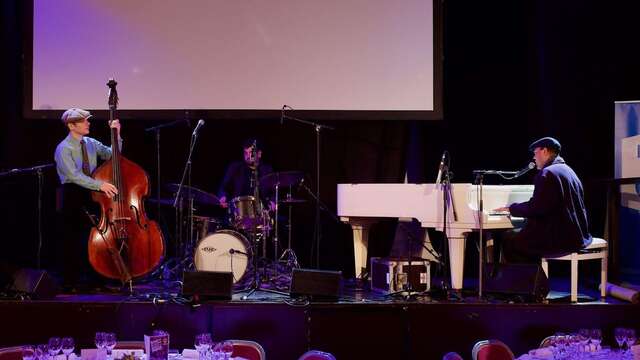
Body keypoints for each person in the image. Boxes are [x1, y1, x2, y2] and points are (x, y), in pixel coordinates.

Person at [492, 137, 592, 263]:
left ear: (544, 151)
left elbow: (537, 208)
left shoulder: (547, 173)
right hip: (578, 236)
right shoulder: (569, 171)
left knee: (509, 239)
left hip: (560, 239)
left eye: (535, 152)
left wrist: (511, 208)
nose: (534, 157)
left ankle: (530, 282)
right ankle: (535, 279)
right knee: (522, 237)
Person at [54, 108, 122, 291]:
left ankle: (95, 281)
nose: (88, 123)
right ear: (71, 125)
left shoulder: (90, 142)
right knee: (74, 239)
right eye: (84, 121)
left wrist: (116, 134)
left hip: (91, 193)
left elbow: (112, 156)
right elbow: (74, 176)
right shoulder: (63, 148)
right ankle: (71, 282)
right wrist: (100, 185)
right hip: (72, 194)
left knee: (93, 237)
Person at [218, 139, 275, 211]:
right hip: (238, 211)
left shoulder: (267, 170)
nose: (248, 156)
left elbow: (274, 191)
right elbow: (223, 187)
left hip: (262, 211)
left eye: (251, 153)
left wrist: (273, 201)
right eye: (245, 153)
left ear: (259, 154)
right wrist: (223, 196)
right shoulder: (235, 168)